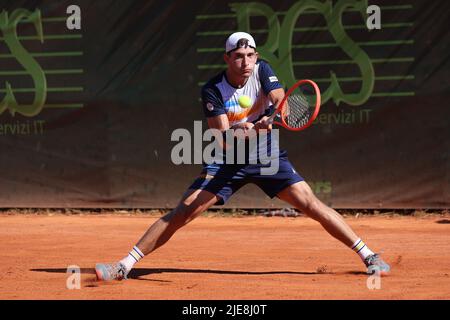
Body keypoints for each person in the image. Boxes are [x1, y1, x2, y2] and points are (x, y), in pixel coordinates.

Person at [95, 32, 390, 281]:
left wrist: (269, 119)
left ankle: (369, 256)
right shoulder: (212, 90)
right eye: (238, 56)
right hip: (227, 161)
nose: (246, 62)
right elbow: (223, 140)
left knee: (310, 203)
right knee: (183, 212)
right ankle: (124, 266)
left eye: (250, 55)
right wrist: (247, 128)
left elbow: (281, 103)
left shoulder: (263, 70)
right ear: (227, 58)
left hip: (266, 156)